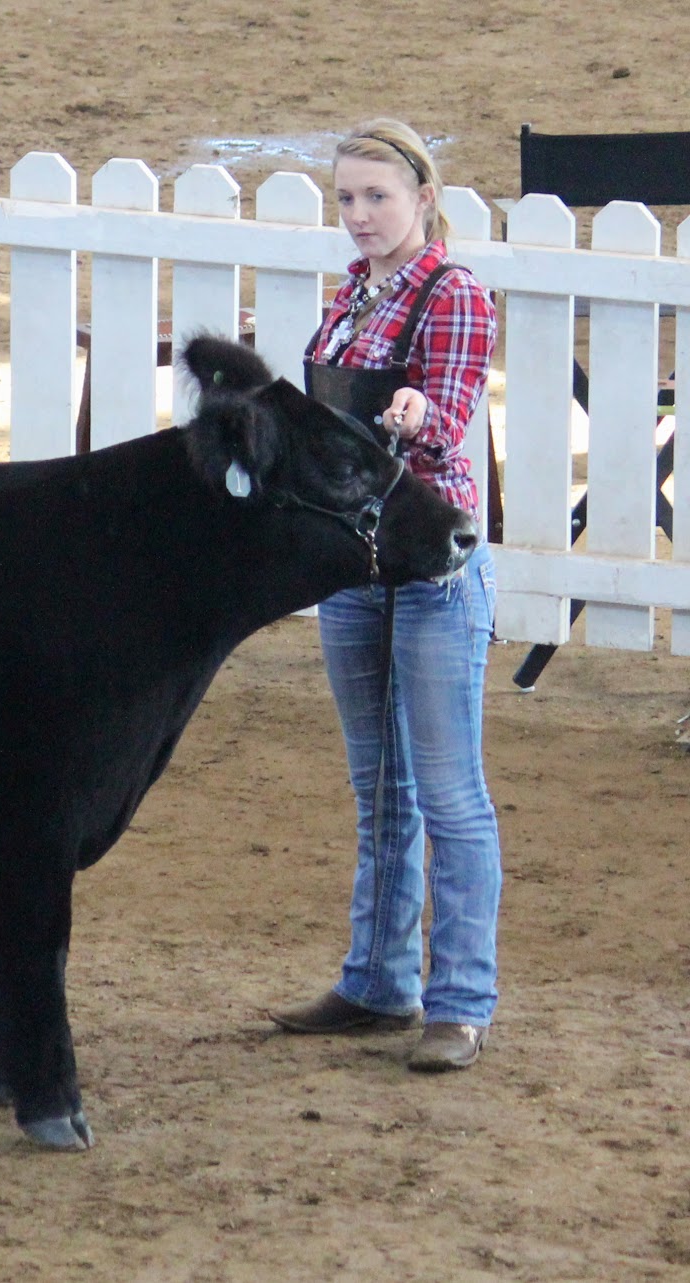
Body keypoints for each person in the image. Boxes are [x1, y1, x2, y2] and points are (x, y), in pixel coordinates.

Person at [269, 119, 502, 1073]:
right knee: (381, 788)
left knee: (447, 794)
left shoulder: (454, 294)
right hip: (357, 561)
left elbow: (451, 408)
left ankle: (460, 1002)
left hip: (431, 563)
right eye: (348, 199)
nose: (360, 215)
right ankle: (377, 981)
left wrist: (420, 412)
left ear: (423, 200)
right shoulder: (355, 295)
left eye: (378, 197)